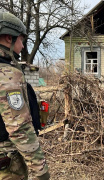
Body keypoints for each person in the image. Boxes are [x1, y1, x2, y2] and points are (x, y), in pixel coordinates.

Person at [0, 12, 50, 180]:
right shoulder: (7, 74)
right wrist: (40, 169)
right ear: (8, 37)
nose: (22, 46)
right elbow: (19, 128)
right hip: (7, 160)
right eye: (21, 39)